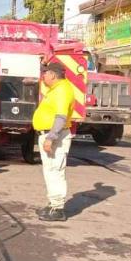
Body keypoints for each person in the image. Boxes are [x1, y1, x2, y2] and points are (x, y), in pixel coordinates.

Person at [31, 62, 75, 222]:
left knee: (56, 171)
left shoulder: (62, 90)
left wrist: (51, 137)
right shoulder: (56, 89)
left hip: (56, 136)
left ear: (53, 75)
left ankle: (57, 209)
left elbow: (61, 116)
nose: (44, 76)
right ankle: (52, 204)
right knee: (50, 171)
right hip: (51, 134)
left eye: (46, 73)